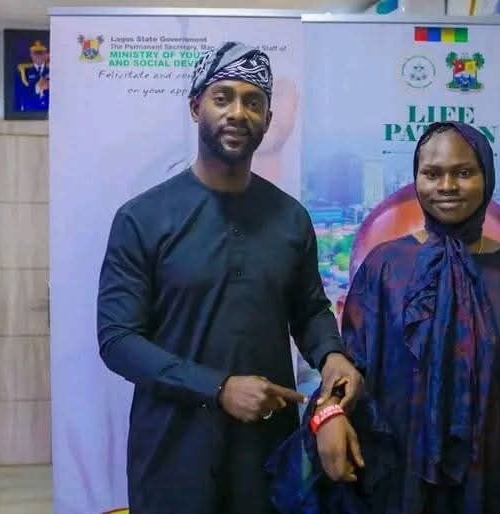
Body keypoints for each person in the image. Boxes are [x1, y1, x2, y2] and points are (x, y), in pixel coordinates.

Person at [268, 121, 500, 514]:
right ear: (416, 179)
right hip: (402, 470)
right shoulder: (386, 266)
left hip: (493, 469)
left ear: (486, 177)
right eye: (432, 174)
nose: (447, 186)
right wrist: (328, 413)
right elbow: (350, 362)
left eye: (464, 173)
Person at [97, 41, 363, 514]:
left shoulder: (290, 218)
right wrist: (218, 389)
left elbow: (309, 310)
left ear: (267, 117)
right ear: (196, 107)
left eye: (253, 102)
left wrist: (331, 355)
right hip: (172, 453)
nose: (238, 112)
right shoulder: (143, 218)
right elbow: (118, 340)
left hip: (266, 453)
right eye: (223, 98)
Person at [14, 40, 49, 112]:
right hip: (31, 112)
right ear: (31, 55)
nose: (38, 56)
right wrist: (37, 87)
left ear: (46, 55)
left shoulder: (53, 70)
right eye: (35, 53)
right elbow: (20, 93)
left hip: (49, 112)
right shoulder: (24, 71)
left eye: (41, 53)